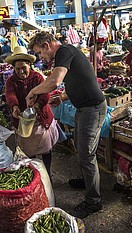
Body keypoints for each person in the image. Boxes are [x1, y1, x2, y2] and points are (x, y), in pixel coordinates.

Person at [26, 32, 106, 219]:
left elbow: (55, 81)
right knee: (81, 150)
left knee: (86, 155)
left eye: (40, 53)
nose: (41, 57)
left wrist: (33, 91)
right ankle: (88, 181)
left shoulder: (64, 51)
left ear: (46, 45)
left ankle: (94, 201)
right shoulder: (66, 54)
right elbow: (79, 80)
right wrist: (62, 97)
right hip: (84, 108)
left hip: (92, 109)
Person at [5, 46, 59, 176]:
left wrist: (37, 106)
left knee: (46, 149)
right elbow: (10, 95)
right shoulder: (11, 81)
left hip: (40, 119)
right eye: (17, 69)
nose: (21, 71)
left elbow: (45, 95)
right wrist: (15, 107)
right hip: (23, 121)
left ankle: (48, 172)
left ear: (29, 65)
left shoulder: (37, 78)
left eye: (24, 67)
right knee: (29, 150)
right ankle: (35, 174)